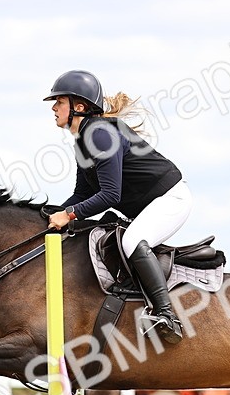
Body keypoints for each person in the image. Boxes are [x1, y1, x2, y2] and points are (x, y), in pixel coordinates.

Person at [44, 69, 190, 344]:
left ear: (79, 106)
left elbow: (110, 194)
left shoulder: (100, 135)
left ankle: (166, 316)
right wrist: (51, 214)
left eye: (59, 102)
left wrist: (69, 214)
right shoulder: (83, 142)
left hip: (171, 199)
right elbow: (82, 193)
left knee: (133, 240)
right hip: (150, 205)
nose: (53, 108)